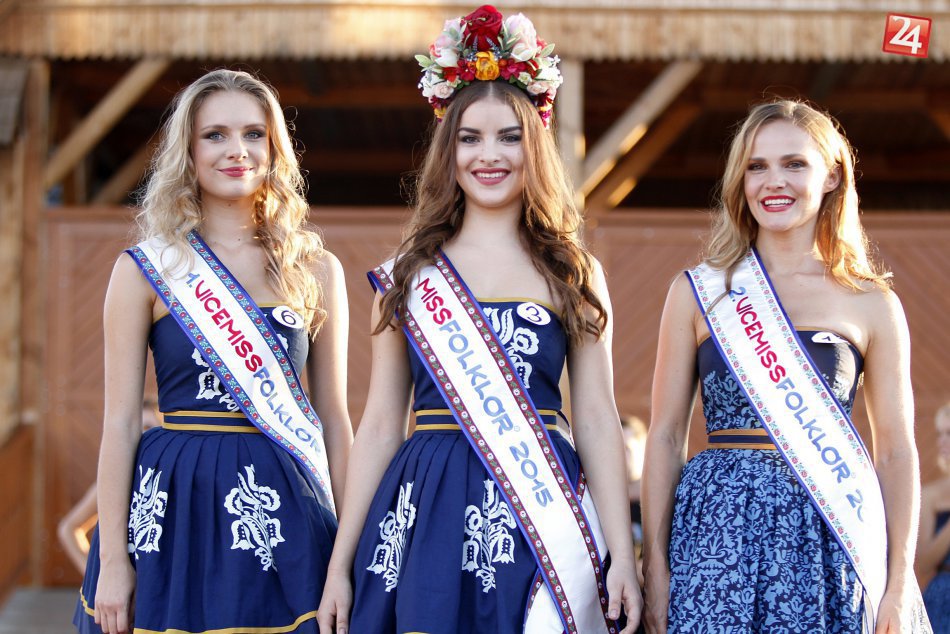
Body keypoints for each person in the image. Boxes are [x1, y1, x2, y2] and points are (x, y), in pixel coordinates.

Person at [317, 6, 641, 633]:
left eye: (509, 137)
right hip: (425, 506)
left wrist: (622, 557)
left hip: (539, 510)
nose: (488, 155)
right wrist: (339, 563)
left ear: (534, 145)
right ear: (449, 150)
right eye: (469, 138)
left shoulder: (572, 272)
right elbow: (380, 424)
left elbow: (598, 418)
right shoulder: (409, 274)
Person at [73, 69, 352, 634]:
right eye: (215, 135)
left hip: (282, 512)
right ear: (189, 150)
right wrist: (115, 561)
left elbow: (334, 420)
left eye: (253, 134)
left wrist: (348, 557)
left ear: (274, 148)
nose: (237, 150)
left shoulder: (315, 268)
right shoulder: (145, 269)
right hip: (172, 508)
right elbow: (121, 422)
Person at [642, 100, 931, 633]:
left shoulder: (871, 302)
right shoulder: (698, 291)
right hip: (716, 531)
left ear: (832, 177)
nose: (773, 181)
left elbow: (895, 449)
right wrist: (655, 568)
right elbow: (664, 436)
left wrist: (897, 582)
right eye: (757, 166)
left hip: (827, 531)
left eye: (794, 164)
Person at [58, 400, 161, 575]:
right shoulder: (115, 483)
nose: (142, 436)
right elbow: (68, 528)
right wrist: (94, 576)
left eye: (149, 428)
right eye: (137, 430)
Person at [917, 403, 950, 633]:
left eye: (949, 433)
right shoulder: (930, 494)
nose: (942, 441)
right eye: (939, 433)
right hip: (943, 597)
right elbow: (924, 562)